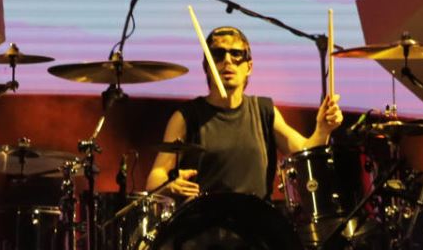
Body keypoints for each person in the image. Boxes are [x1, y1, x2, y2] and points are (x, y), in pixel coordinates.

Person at [144, 25, 342, 201]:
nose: (227, 61)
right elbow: (156, 177)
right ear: (207, 67)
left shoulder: (264, 111)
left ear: (249, 67)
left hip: (255, 230)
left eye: (236, 54)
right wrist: (169, 185)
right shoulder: (186, 117)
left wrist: (323, 130)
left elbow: (304, 151)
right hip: (204, 229)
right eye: (218, 55)